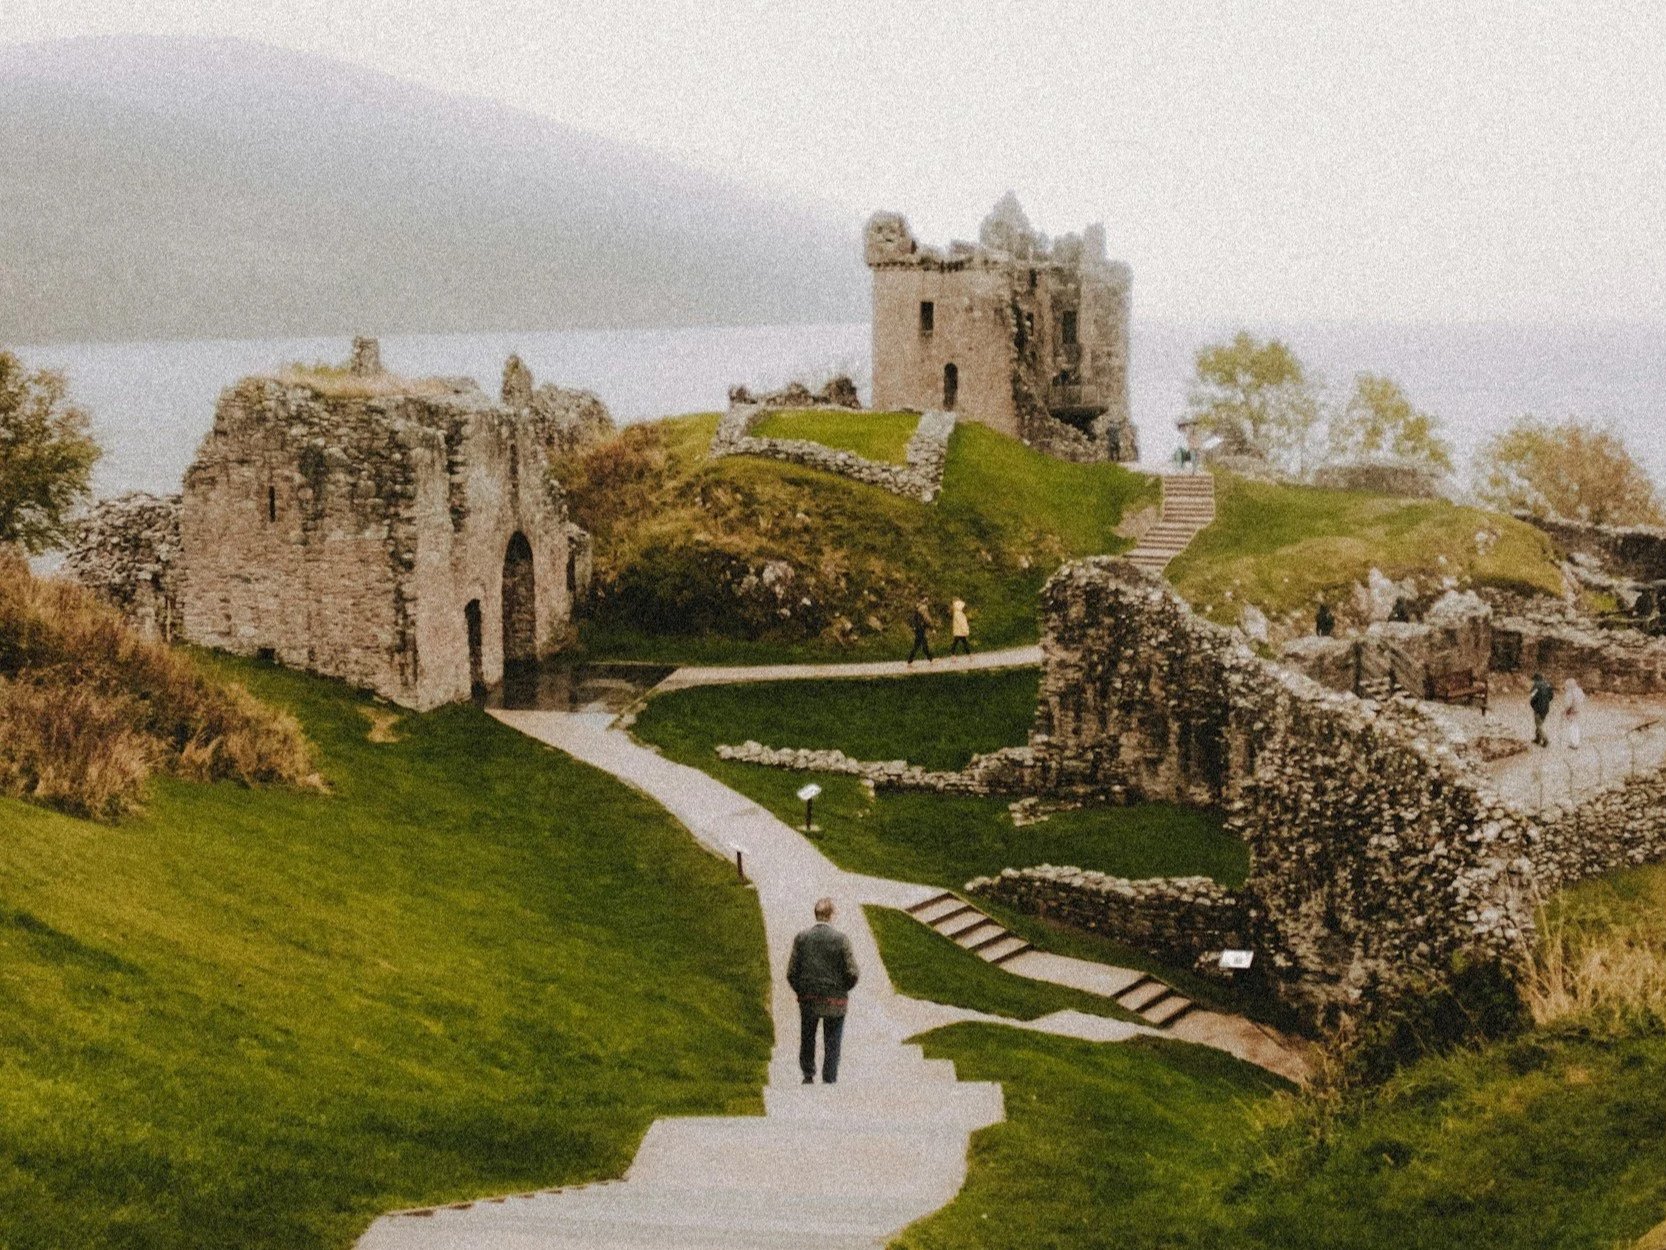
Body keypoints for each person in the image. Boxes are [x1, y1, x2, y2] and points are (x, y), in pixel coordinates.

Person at [786, 897, 859, 1084]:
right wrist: (843, 988)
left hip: (809, 998)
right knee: (833, 1041)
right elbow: (852, 973)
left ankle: (808, 1074)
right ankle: (829, 1078)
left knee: (808, 1036)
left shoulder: (802, 938)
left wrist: (801, 991)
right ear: (830, 915)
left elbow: (792, 973)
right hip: (836, 1000)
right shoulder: (841, 940)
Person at [1529, 672, 1555, 748]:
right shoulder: (1548, 685)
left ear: (1536, 679)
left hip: (1538, 707)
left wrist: (1533, 705)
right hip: (1546, 707)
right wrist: (1546, 702)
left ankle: (1545, 739)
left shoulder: (1536, 686)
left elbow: (1532, 697)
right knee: (1540, 722)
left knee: (1538, 725)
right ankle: (1538, 738)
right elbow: (1551, 696)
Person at [907, 598, 934, 664]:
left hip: (918, 629)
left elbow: (922, 620)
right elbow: (927, 619)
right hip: (920, 629)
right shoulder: (924, 608)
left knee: (917, 646)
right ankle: (930, 660)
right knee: (923, 646)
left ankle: (910, 661)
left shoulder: (918, 609)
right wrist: (932, 628)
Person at [1563, 677, 1587, 749]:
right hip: (1579, 710)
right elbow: (1583, 698)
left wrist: (1566, 710)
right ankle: (1576, 742)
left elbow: (1568, 703)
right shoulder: (1579, 690)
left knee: (1572, 727)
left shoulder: (1570, 692)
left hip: (1572, 711)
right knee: (1576, 726)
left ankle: (1574, 743)